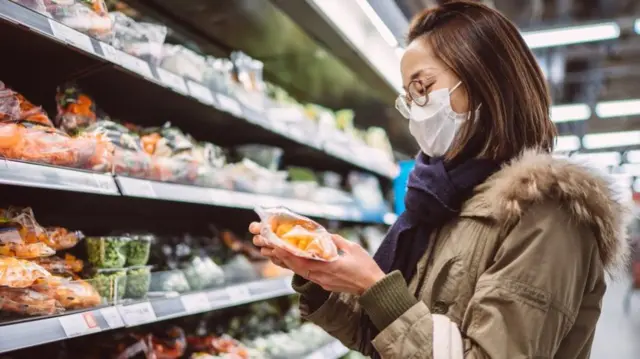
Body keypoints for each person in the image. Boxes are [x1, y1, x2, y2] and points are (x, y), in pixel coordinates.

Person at [250, 1, 630, 358]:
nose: (415, 111)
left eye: (423, 87)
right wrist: (320, 274)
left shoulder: (548, 216)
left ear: (485, 79)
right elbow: (386, 343)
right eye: (408, 97)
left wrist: (373, 286)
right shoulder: (447, 200)